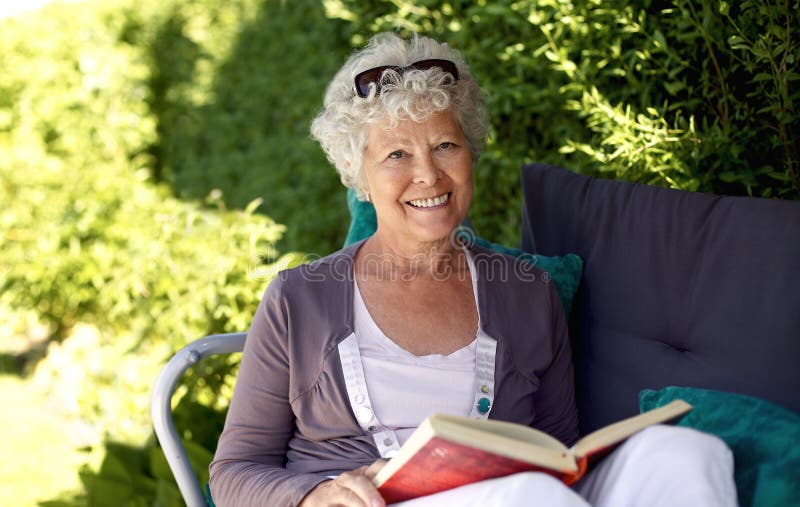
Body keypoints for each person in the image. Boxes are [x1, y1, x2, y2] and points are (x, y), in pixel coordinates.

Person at [209, 33, 737, 507]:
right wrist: (312, 496)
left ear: (470, 154)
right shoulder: (298, 298)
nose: (428, 174)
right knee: (529, 497)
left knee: (685, 454)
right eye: (397, 154)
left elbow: (558, 448)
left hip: (519, 494)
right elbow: (232, 471)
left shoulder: (529, 293)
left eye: (445, 146)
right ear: (359, 178)